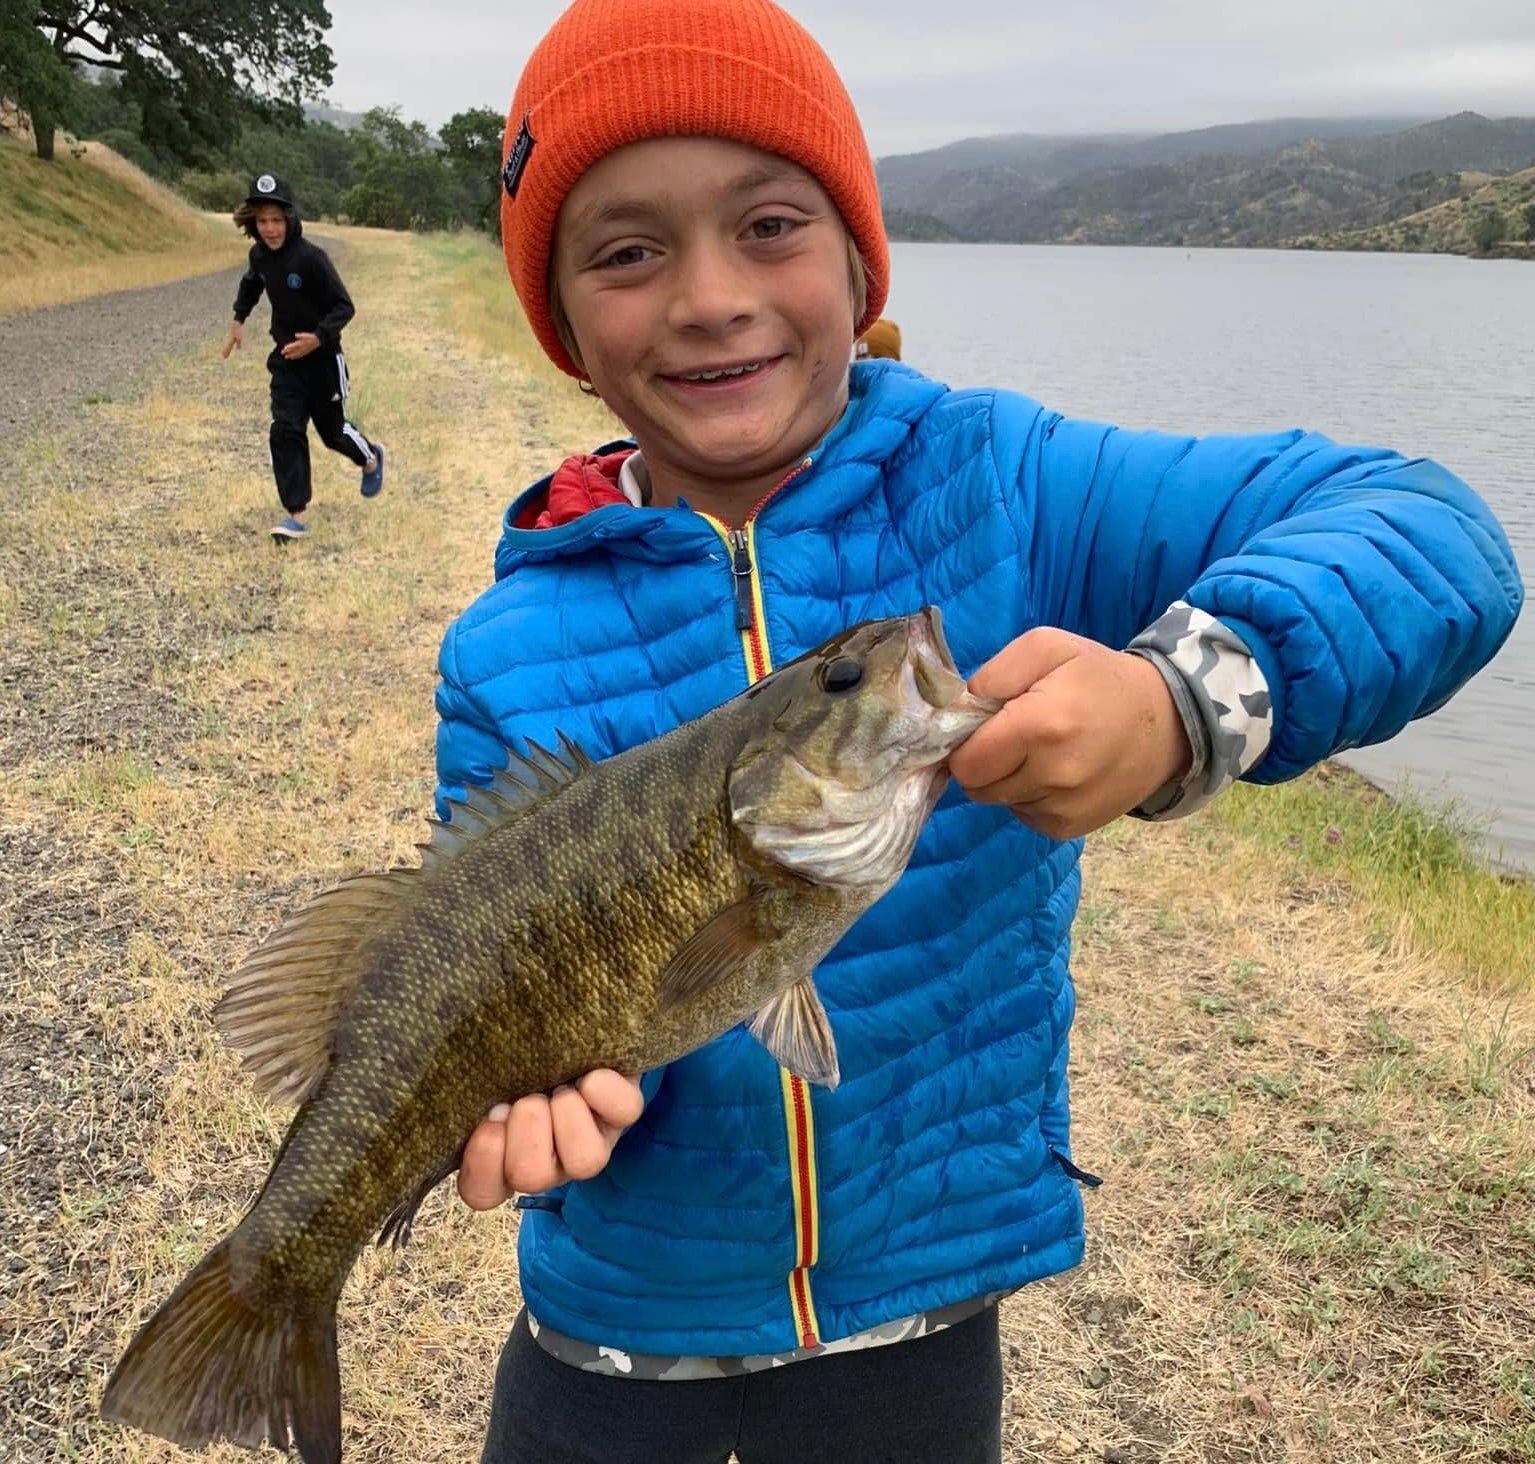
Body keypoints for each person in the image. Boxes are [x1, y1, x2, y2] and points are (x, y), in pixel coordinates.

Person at [432, 2, 1524, 1459]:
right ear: (561, 319)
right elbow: (464, 967)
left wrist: (1182, 696)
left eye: (768, 225)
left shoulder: (1008, 484)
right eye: (626, 251)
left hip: (919, 1338)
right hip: (608, 1341)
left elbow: (1432, 530)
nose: (707, 296)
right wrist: (499, 1106)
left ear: (856, 259)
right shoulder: (505, 648)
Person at [221, 173, 385, 543]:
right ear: (253, 223)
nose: (270, 229)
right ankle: (296, 514)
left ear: (290, 220)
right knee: (285, 429)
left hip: (324, 362)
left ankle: (370, 457)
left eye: (277, 220)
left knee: (332, 433)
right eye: (262, 221)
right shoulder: (259, 255)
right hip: (286, 361)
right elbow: (251, 283)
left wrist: (318, 338)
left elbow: (345, 306)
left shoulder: (312, 258)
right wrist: (237, 319)